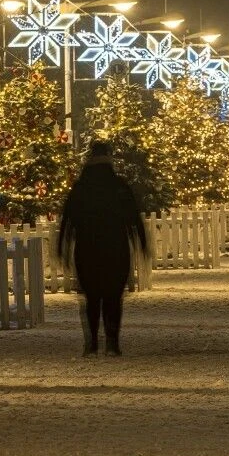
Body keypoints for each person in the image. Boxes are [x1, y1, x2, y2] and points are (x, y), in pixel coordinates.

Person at [57, 140, 149, 357]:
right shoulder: (120, 187)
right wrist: (142, 243)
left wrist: (63, 246)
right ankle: (112, 341)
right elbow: (134, 218)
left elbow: (67, 220)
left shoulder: (80, 188)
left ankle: (91, 344)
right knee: (113, 297)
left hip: (87, 248)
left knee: (92, 297)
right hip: (116, 247)